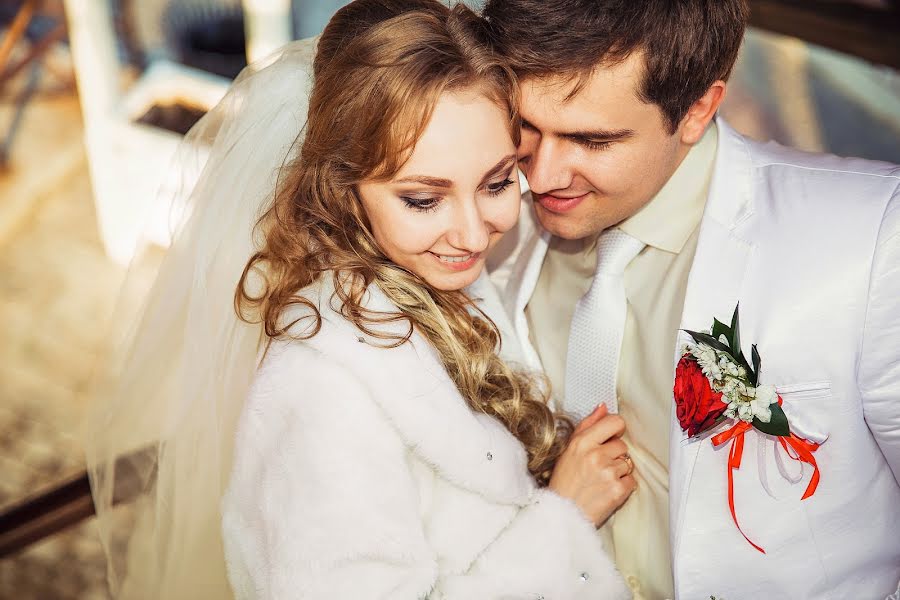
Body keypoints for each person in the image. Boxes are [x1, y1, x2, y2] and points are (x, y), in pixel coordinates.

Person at [86, 1, 633, 598]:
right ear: (343, 188)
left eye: (498, 182)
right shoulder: (322, 396)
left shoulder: (426, 270)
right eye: (424, 200)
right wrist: (563, 520)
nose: (474, 234)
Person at [481, 0, 900, 598]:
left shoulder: (873, 239)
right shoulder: (481, 221)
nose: (542, 175)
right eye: (527, 128)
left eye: (592, 141)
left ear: (698, 108)